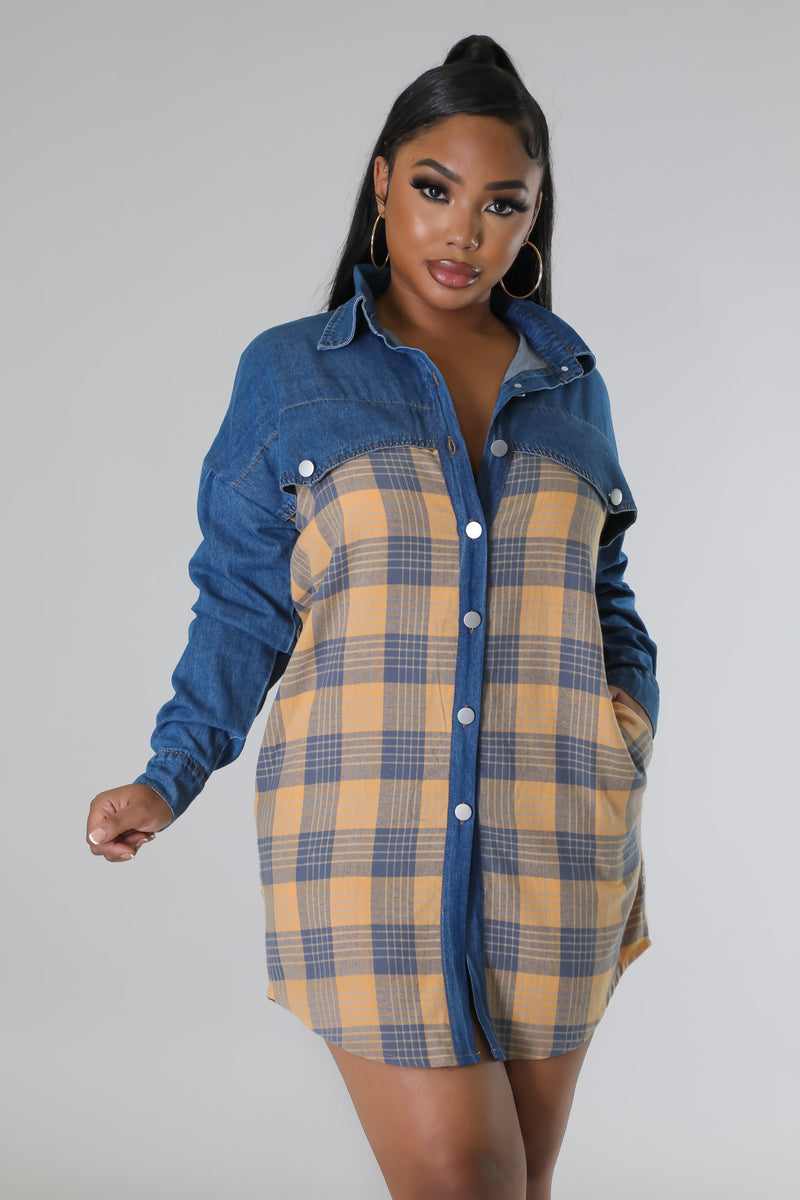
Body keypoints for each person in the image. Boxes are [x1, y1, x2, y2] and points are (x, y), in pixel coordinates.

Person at [86, 34, 659, 1200]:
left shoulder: (571, 384)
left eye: (501, 205)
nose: (465, 231)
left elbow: (603, 591)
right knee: (466, 1178)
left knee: (515, 1187)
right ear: (384, 183)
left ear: (531, 219)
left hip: (557, 831)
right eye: (437, 190)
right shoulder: (292, 375)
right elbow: (242, 603)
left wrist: (625, 725)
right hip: (364, 839)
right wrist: (167, 774)